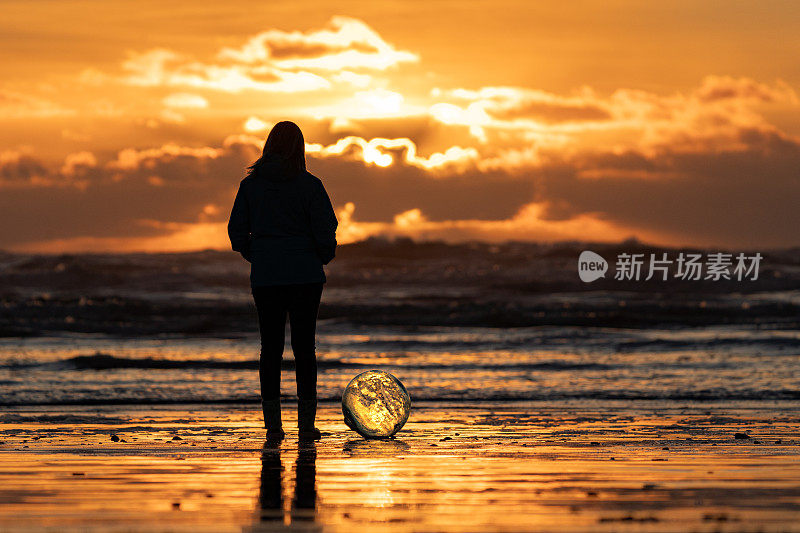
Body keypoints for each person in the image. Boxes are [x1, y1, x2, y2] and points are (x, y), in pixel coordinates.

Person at [228, 121, 338, 440]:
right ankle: (305, 425)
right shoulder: (310, 184)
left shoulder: (250, 186)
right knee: (305, 348)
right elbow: (326, 230)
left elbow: (237, 233)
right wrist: (320, 256)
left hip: (267, 276)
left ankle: (273, 425)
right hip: (305, 274)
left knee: (270, 348)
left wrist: (260, 254)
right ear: (299, 148)